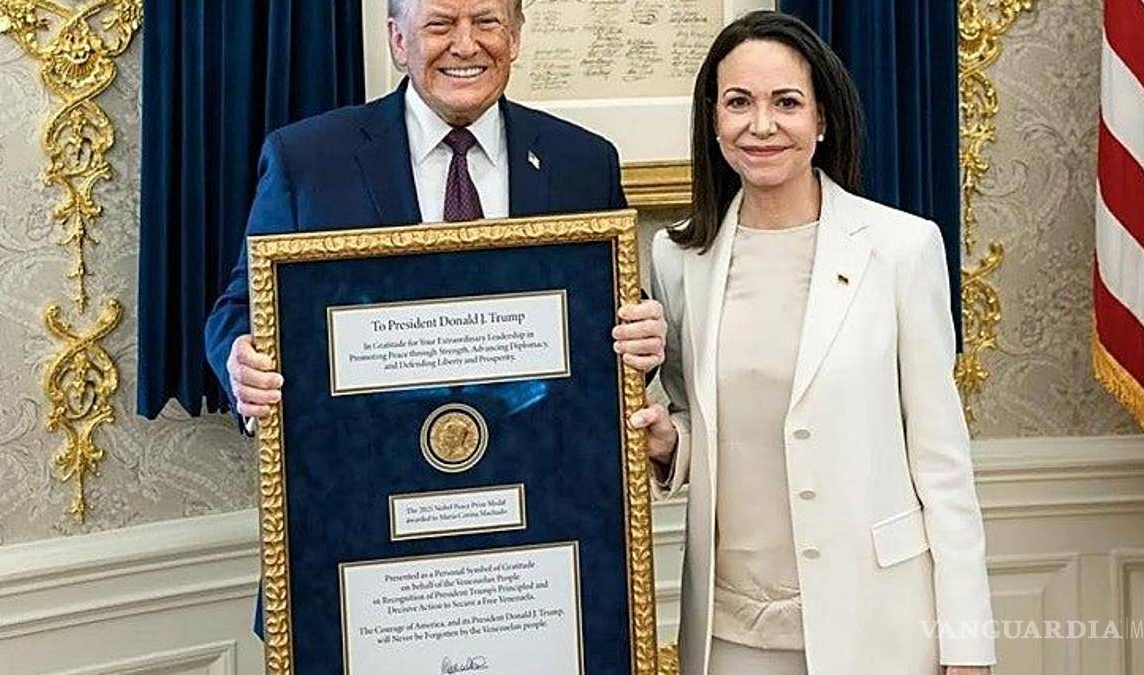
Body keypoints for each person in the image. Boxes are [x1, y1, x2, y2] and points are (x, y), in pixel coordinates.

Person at [630, 11, 995, 675]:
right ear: (713, 120)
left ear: (821, 119)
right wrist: (666, 442)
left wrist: (967, 646)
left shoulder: (902, 248)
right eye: (738, 102)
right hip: (729, 631)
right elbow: (699, 421)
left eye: (786, 103)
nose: (761, 125)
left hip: (877, 620)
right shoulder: (679, 258)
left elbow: (943, 463)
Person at [205, 0, 666, 419]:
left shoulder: (583, 163)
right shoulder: (307, 162)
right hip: (368, 460)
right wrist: (241, 362)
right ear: (398, 41)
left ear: (515, 37)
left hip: (539, 459)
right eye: (440, 25)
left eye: (487, 22)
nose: (465, 46)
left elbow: (609, 315)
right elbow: (242, 308)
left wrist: (641, 338)